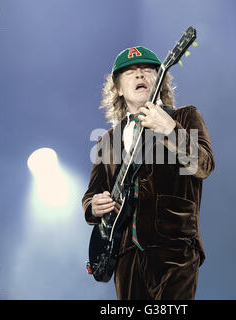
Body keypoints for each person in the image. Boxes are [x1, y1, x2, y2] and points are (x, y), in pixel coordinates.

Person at [82, 46, 214, 300]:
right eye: (131, 72)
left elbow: (204, 165)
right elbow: (91, 195)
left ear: (160, 80)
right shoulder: (108, 141)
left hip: (174, 247)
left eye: (147, 70)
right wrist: (94, 205)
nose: (140, 75)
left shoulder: (185, 116)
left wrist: (170, 130)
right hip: (125, 255)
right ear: (118, 88)